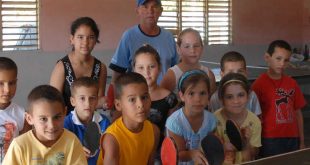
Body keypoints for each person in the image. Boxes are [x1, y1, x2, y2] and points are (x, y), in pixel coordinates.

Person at [2, 85, 87, 165]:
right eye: (43, 119)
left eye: (57, 117)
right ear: (29, 118)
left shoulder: (72, 142)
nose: (51, 125)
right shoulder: (19, 145)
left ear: (65, 112)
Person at [252, 40, 306, 157]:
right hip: (269, 139)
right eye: (278, 58)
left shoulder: (292, 83)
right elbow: (254, 117)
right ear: (267, 57)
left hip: (292, 138)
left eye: (286, 60)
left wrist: (301, 141)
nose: (282, 64)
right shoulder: (258, 84)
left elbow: (298, 113)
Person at [109, 0, 178, 84]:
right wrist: (113, 96)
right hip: (137, 94)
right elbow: (117, 73)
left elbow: (175, 70)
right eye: (145, 6)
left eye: (155, 6)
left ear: (161, 11)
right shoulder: (129, 36)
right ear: (137, 10)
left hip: (164, 94)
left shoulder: (169, 37)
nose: (150, 11)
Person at [50, 17, 107, 114]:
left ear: (96, 40)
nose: (85, 42)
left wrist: (106, 103)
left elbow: (98, 101)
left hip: (90, 124)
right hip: (66, 124)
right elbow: (52, 102)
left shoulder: (100, 67)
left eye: (91, 37)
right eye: (80, 37)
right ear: (72, 39)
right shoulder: (61, 67)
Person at [100, 72, 160, 165]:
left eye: (144, 97)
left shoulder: (154, 131)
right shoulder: (112, 139)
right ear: (118, 105)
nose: (140, 105)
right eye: (132, 99)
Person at [132, 44, 178, 162]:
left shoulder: (170, 99)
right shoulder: (128, 97)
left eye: (151, 66)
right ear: (134, 69)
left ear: (160, 67)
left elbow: (171, 132)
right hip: (133, 150)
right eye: (141, 68)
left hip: (160, 154)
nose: (147, 72)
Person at [165, 69, 217, 165]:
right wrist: (191, 154)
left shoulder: (211, 120)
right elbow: (178, 154)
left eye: (202, 93)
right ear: (182, 96)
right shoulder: (175, 122)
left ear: (208, 95)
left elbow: (210, 147)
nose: (197, 99)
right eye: (191, 93)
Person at [214, 73, 262, 164]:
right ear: (221, 99)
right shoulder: (214, 119)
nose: (236, 101)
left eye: (240, 95)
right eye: (229, 97)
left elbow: (253, 154)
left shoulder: (254, 121)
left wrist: (246, 143)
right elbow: (210, 152)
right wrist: (222, 147)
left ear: (248, 96)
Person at [64, 77, 110, 164]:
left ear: (97, 101)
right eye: (82, 98)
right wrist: (75, 152)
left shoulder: (105, 122)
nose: (87, 103)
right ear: (73, 101)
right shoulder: (65, 125)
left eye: (92, 98)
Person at [160, 28, 216, 95]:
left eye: (196, 46)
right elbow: (162, 100)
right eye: (187, 46)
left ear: (202, 48)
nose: (192, 50)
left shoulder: (209, 74)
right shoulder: (172, 75)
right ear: (178, 49)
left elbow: (211, 102)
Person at [209, 51, 262, 117]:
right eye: (230, 73)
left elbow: (257, 120)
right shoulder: (215, 98)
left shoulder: (252, 95)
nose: (235, 76)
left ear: (246, 73)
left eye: (240, 71)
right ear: (222, 75)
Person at [0, 57, 31, 163]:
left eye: (11, 83)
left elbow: (25, 150)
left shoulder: (23, 116)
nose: (7, 90)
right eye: (1, 84)